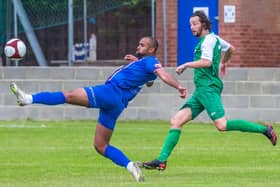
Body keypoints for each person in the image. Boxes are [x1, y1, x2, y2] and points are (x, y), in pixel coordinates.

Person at [10, 36, 187, 182]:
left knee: (68, 95)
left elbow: (163, 74)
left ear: (151, 50)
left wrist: (178, 86)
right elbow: (149, 81)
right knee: (101, 145)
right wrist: (136, 63)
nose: (137, 46)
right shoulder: (144, 63)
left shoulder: (150, 61)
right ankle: (130, 165)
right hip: (117, 104)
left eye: (142, 45)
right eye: (138, 43)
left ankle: (28, 99)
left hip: (110, 92)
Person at [142, 11, 277, 171]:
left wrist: (186, 64)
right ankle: (162, 160)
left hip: (208, 88)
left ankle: (265, 130)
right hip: (201, 90)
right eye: (190, 24)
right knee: (176, 121)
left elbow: (206, 62)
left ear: (204, 25)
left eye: (195, 24)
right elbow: (230, 49)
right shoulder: (215, 39)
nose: (192, 27)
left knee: (222, 125)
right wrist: (223, 63)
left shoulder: (208, 41)